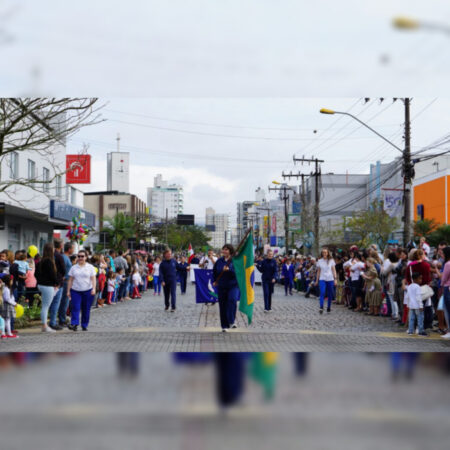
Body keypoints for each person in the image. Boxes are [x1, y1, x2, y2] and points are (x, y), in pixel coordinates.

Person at [67, 249, 96, 331]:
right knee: (75, 307)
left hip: (87, 290)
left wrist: (93, 289)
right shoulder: (73, 268)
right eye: (79, 256)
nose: (80, 258)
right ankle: (74, 324)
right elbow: (70, 280)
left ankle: (84, 324)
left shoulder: (90, 267)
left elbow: (93, 279)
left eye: (82, 256)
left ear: (86, 257)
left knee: (86, 308)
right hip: (75, 291)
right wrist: (68, 291)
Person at [213, 244, 240, 332]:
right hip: (222, 286)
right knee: (223, 305)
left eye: (226, 250)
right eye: (223, 249)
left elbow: (238, 272)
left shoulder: (234, 261)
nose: (224, 251)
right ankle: (224, 326)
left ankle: (231, 320)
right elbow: (214, 271)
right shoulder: (219, 261)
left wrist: (229, 270)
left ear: (230, 251)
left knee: (232, 300)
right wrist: (214, 280)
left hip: (233, 285)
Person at [35, 243, 59, 333]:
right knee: (45, 306)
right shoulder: (49, 261)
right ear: (50, 250)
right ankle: (44, 326)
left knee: (44, 306)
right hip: (48, 286)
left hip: (41, 285)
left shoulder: (41, 261)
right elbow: (52, 274)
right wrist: (56, 282)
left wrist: (40, 280)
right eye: (53, 249)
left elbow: (36, 274)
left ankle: (44, 325)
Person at [57, 242, 75, 324]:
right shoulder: (64, 257)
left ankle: (62, 318)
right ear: (69, 249)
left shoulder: (66, 257)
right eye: (73, 248)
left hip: (67, 281)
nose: (74, 250)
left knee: (65, 301)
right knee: (64, 301)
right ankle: (62, 319)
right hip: (65, 282)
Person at [315, 247, 337, 314]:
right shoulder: (319, 261)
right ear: (321, 253)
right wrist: (317, 280)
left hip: (330, 279)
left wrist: (335, 279)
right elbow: (318, 271)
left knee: (330, 294)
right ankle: (321, 307)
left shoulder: (331, 260)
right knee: (322, 292)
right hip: (322, 279)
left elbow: (334, 270)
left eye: (325, 252)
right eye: (323, 252)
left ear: (328, 253)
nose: (324, 253)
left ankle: (328, 307)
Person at [406, 272, 427, 336]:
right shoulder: (417, 287)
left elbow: (407, 296)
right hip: (418, 306)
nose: (421, 280)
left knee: (411, 318)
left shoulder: (409, 286)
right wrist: (421, 305)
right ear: (415, 279)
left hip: (411, 305)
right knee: (420, 318)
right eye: (419, 279)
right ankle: (420, 331)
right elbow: (418, 297)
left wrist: (408, 304)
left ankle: (410, 331)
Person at [439, 246, 450, 339]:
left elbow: (444, 278)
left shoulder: (447, 264)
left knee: (447, 310)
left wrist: (441, 287)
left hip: (447, 287)